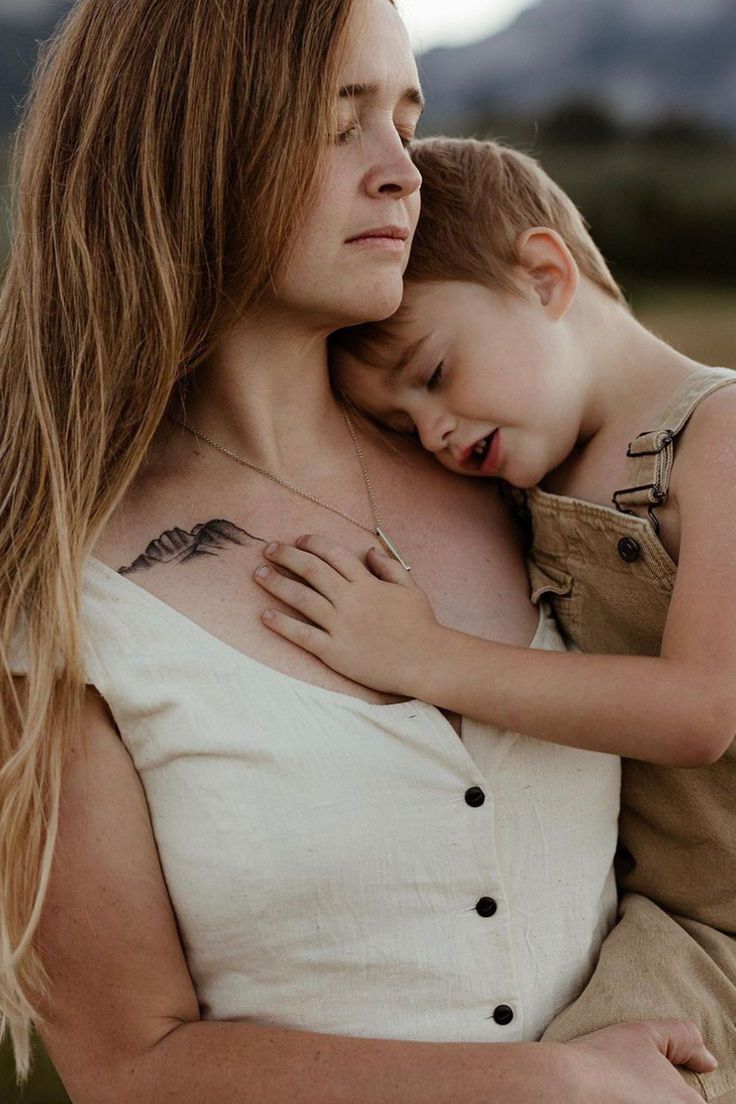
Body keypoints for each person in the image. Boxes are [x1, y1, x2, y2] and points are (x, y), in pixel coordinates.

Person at [0, 2, 715, 1101]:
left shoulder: (514, 474)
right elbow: (127, 1069)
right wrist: (553, 1088)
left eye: (405, 117)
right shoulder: (62, 589)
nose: (401, 172)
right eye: (341, 124)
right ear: (194, 146)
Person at [254, 136, 736, 1101]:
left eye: (432, 373)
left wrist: (427, 656)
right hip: (665, 913)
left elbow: (699, 710)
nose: (430, 432)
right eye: (397, 427)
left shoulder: (720, 439)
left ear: (546, 275)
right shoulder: (531, 478)